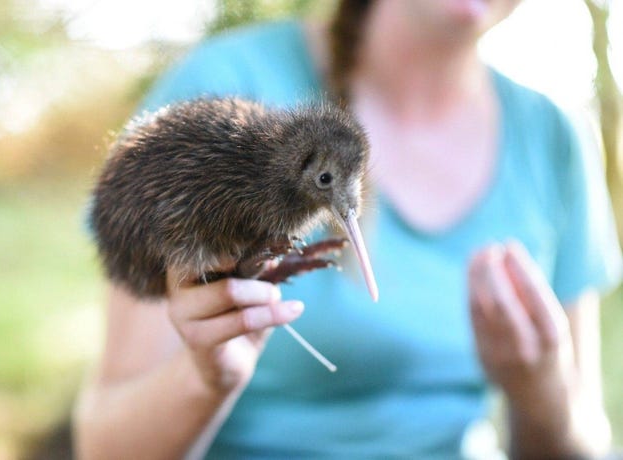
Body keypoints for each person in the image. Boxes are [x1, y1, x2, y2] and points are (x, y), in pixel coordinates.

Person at [73, 0, 623, 458]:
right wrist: (203, 380)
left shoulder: (552, 138)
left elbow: (583, 440)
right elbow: (104, 445)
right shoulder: (223, 94)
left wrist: (542, 391)